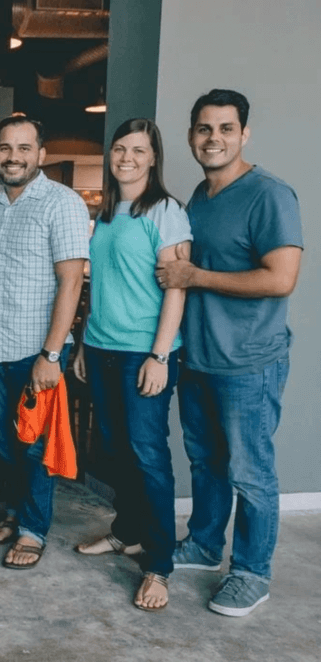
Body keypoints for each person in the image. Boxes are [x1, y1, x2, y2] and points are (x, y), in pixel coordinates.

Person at [157, 89, 302, 617]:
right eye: (203, 129)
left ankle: (251, 572)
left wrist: (196, 276)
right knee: (206, 462)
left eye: (224, 129)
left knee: (251, 471)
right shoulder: (200, 195)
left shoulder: (269, 195)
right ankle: (202, 543)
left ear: (244, 134)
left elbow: (281, 278)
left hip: (249, 362)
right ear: (191, 134)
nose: (212, 138)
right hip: (199, 358)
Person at [72, 119, 191, 611]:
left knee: (148, 455)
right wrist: (83, 343)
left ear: (153, 157)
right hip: (100, 347)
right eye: (120, 149)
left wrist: (160, 355)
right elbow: (99, 284)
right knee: (115, 449)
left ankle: (159, 564)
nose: (126, 158)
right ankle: (128, 533)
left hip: (145, 351)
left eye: (138, 150)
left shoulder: (165, 211)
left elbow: (176, 286)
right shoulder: (103, 213)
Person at [0, 115, 89, 569]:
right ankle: (13, 511)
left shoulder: (61, 203)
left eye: (24, 148)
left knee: (36, 446)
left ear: (40, 154)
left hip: (34, 350)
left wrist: (51, 354)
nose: (13, 156)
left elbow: (71, 283)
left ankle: (32, 530)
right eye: (5, 148)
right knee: (4, 440)